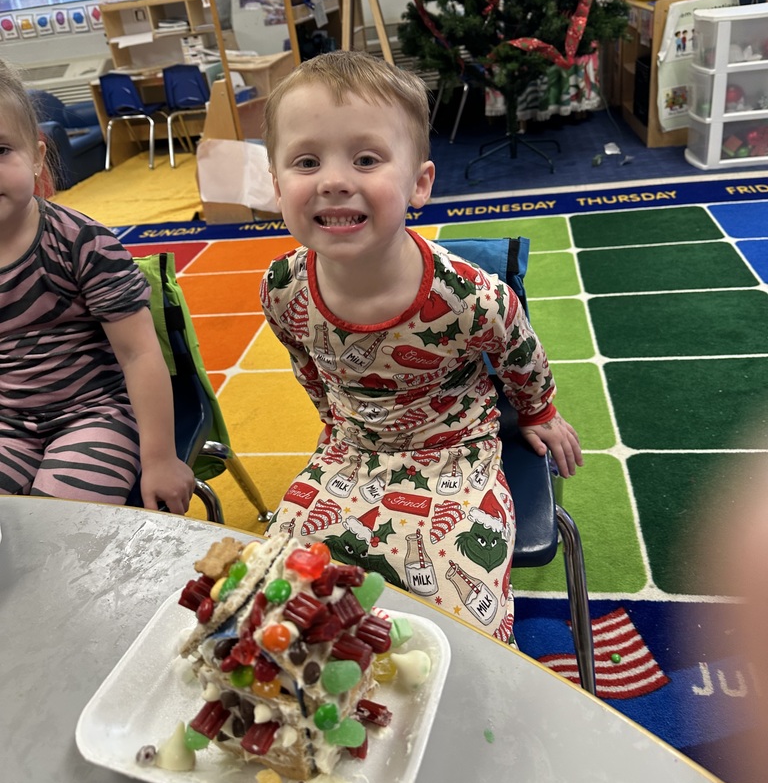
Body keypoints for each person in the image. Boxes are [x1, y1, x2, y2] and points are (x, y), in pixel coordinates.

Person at [259, 51, 582, 643]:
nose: (334, 180)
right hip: (351, 450)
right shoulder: (282, 288)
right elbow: (305, 362)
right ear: (278, 188)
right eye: (307, 162)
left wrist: (540, 411)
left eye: (365, 159)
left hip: (454, 452)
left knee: (462, 624)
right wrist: (333, 424)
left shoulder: (465, 295)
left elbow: (518, 345)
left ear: (419, 184)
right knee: (277, 605)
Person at [0, 59, 194, 513]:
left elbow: (139, 353)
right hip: (7, 421)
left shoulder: (80, 241)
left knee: (59, 528)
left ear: (37, 158)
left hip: (95, 412)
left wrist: (160, 457)